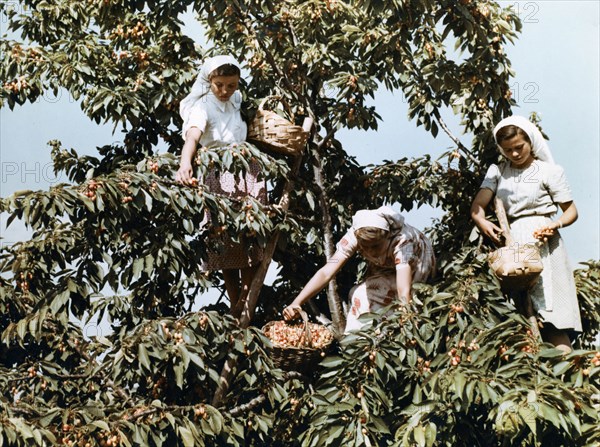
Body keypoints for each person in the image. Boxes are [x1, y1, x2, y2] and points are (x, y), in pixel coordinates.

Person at [470, 115, 582, 353]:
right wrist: (482, 221)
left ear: (530, 141)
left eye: (519, 147)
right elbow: (478, 206)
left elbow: (571, 210)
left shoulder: (549, 171)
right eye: (508, 150)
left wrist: (555, 225)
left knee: (549, 311)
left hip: (543, 239)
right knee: (520, 310)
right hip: (512, 241)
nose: (515, 154)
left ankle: (568, 370)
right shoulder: (497, 172)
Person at [175, 55, 267, 314]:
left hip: (247, 170)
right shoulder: (202, 106)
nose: (225, 91)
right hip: (220, 171)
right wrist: (185, 164)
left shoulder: (236, 101)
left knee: (250, 231)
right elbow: (193, 136)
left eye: (232, 85)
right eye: (219, 85)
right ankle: (235, 298)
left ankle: (246, 298)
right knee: (223, 235)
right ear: (209, 81)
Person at [282, 206, 436, 332]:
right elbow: (326, 271)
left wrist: (408, 322)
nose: (371, 252)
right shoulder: (354, 236)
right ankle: (360, 346)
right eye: (365, 248)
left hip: (418, 261)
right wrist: (297, 302)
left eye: (376, 246)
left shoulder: (402, 242)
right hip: (387, 265)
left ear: (386, 236)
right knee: (361, 295)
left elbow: (404, 290)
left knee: (398, 303)